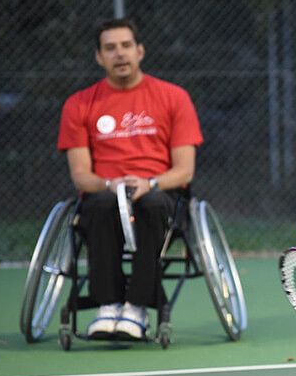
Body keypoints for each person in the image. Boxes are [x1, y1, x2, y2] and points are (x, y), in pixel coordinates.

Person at [57, 18, 203, 339]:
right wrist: (111, 185)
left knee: (150, 204)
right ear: (99, 57)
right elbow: (81, 174)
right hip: (105, 192)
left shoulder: (173, 97)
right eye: (110, 48)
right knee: (102, 203)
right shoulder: (79, 104)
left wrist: (149, 182)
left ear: (140, 51)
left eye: (126, 46)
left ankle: (137, 308)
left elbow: (184, 170)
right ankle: (108, 305)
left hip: (159, 191)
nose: (119, 54)